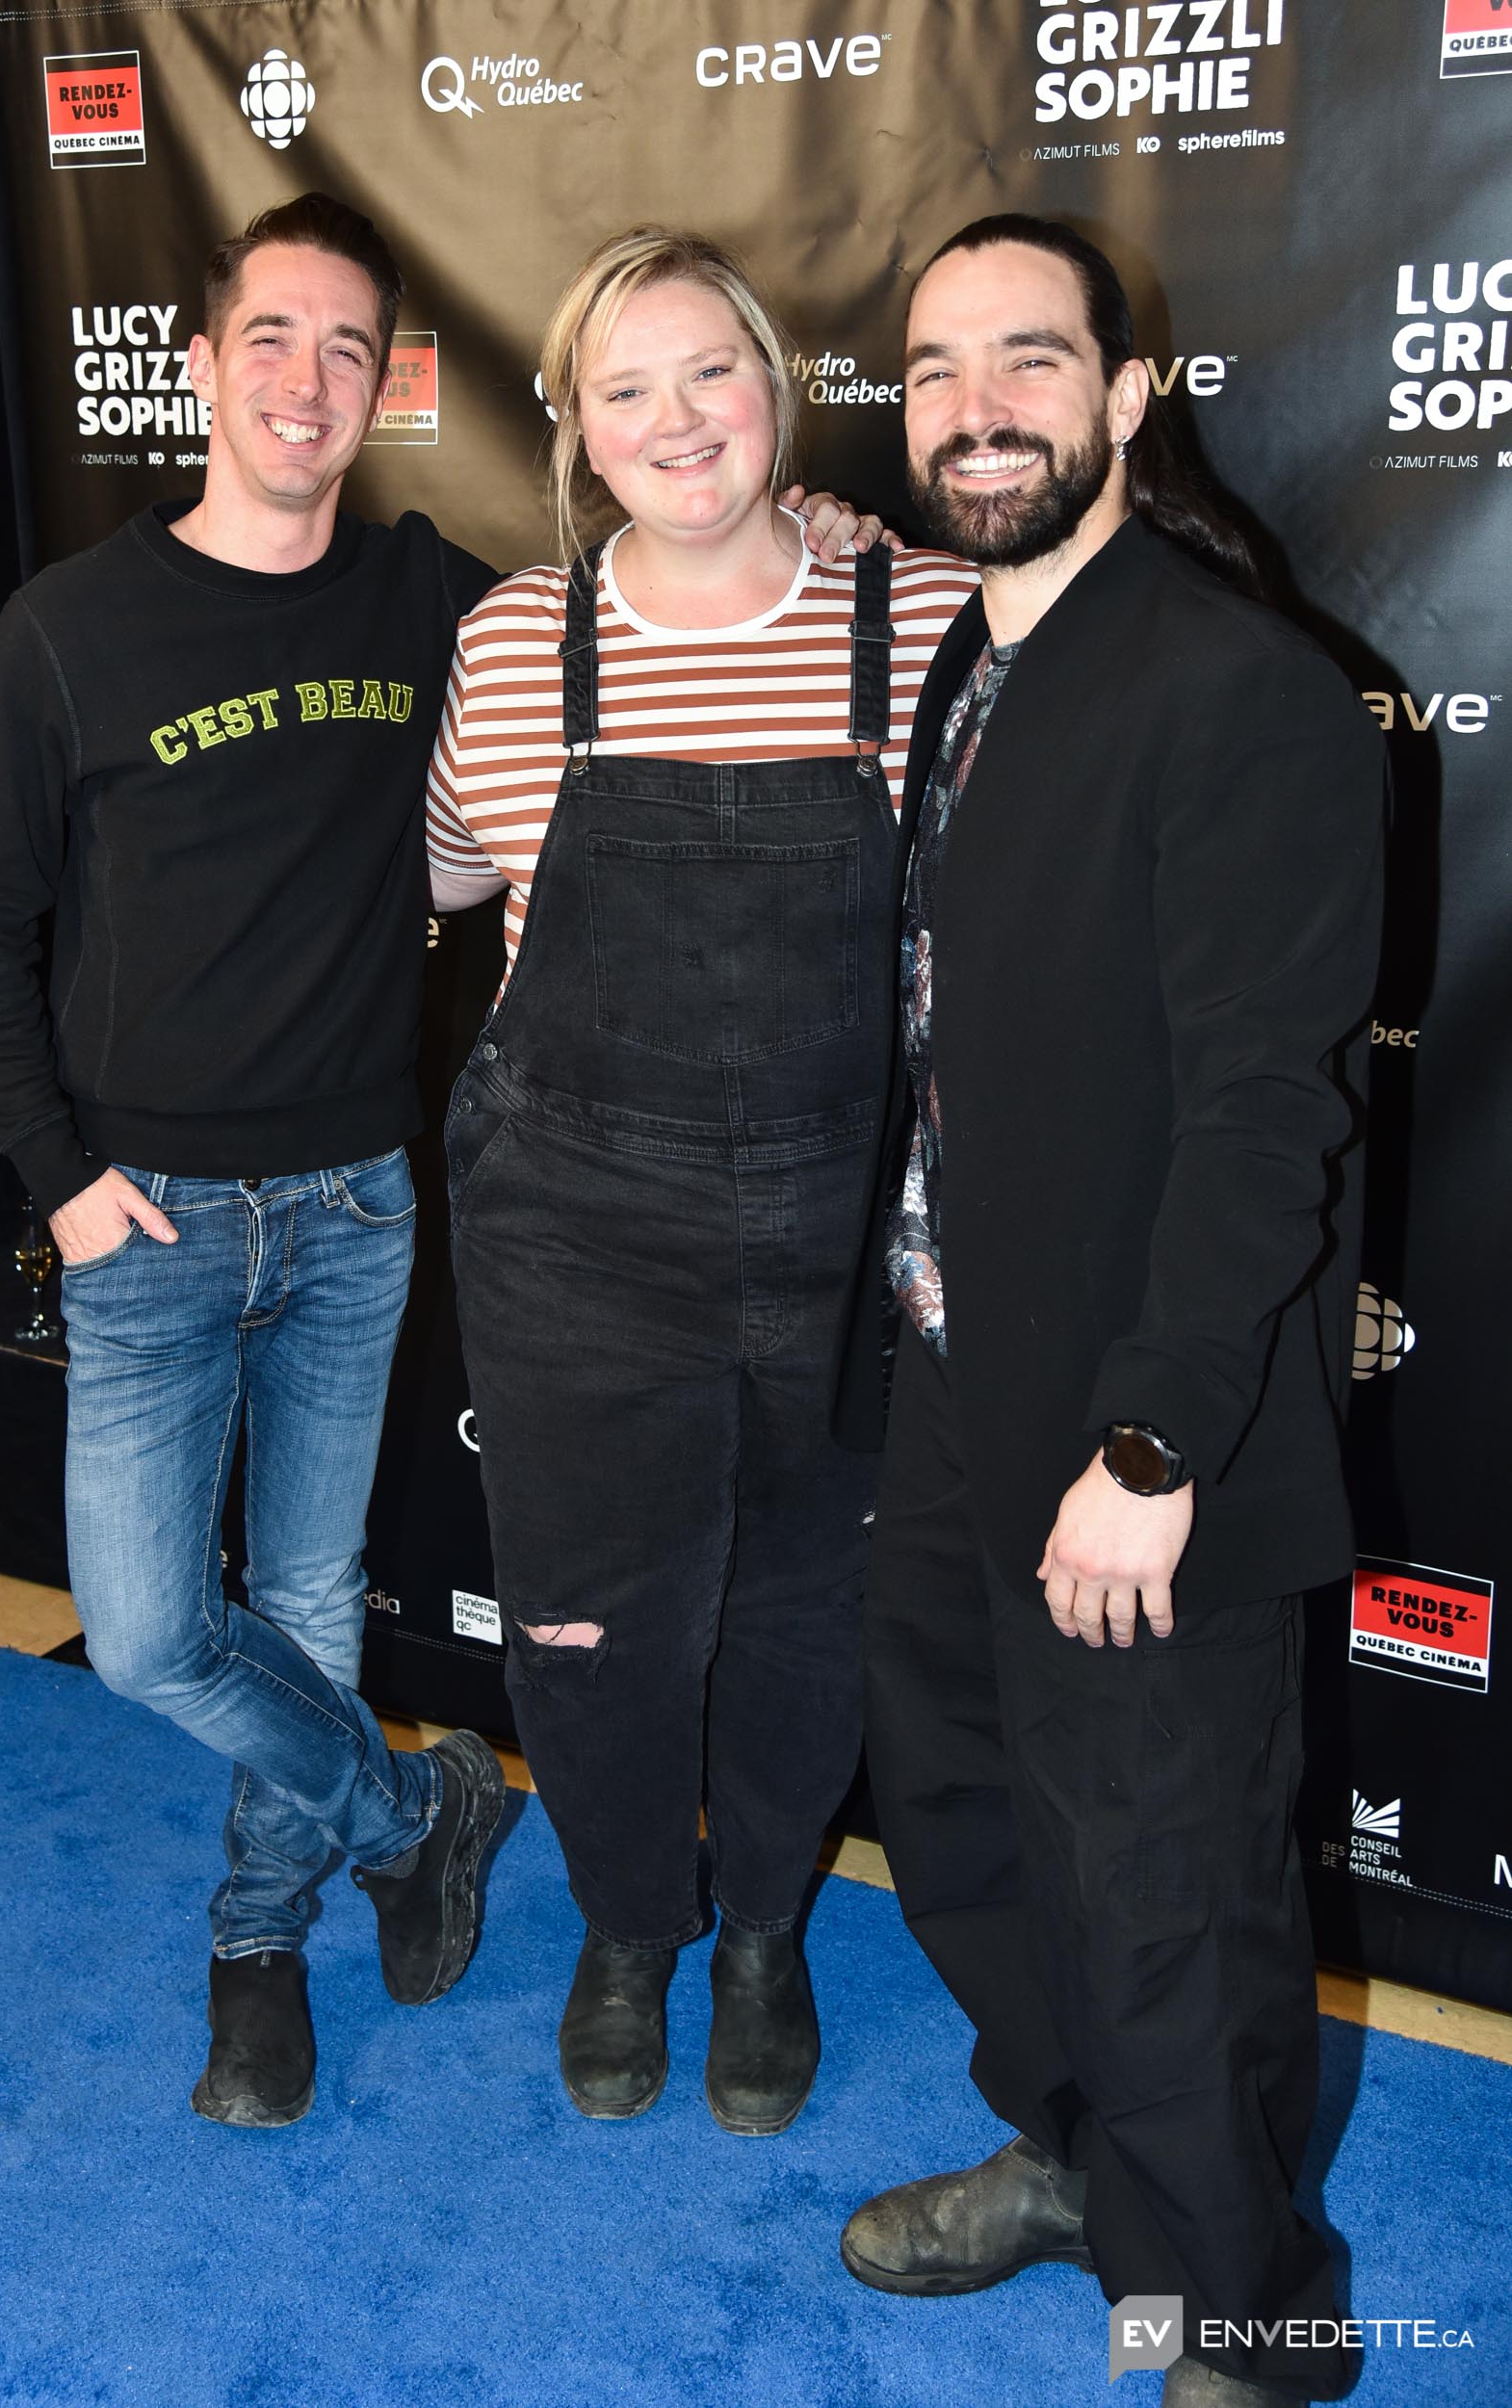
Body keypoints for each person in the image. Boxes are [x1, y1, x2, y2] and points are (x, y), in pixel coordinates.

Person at [0, 191, 876, 2132]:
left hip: (362, 1206)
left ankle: (258, 1939)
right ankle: (409, 1798)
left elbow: (667, 605)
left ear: (389, 390)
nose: (304, 380)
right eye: (269, 337)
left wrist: (835, 543)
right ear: (199, 362)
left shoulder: (443, 602)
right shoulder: (69, 630)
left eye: (348, 349)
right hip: (148, 1220)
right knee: (142, 1631)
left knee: (305, 1602)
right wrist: (60, 1177)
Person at [831, 215, 1383, 2405]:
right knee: (970, 1825)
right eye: (941, 365)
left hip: (1139, 1437)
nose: (979, 404)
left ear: (1127, 400)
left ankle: (1246, 2305)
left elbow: (1269, 1118)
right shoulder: (980, 657)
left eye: (1033, 359)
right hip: (958, 1384)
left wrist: (1152, 1441)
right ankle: (1083, 2162)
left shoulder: (1238, 692)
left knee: (1164, 1892)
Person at [426, 227, 977, 2134]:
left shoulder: (919, 617)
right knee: (589, 1620)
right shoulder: (515, 639)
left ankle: (759, 1925)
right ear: (572, 423)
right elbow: (436, 874)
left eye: (713, 373)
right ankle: (625, 1924)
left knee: (806, 1610)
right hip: (576, 1233)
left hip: (840, 1229)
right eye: (626, 386)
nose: (678, 421)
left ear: (779, 389)